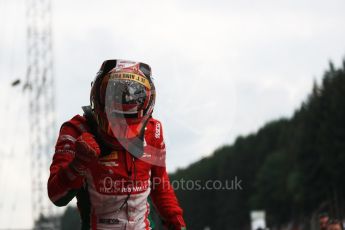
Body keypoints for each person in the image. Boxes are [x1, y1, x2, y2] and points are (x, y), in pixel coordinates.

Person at [47, 60, 186, 230]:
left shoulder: (154, 130)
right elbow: (56, 196)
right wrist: (78, 163)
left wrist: (176, 222)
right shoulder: (76, 130)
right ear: (100, 104)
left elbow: (160, 185)